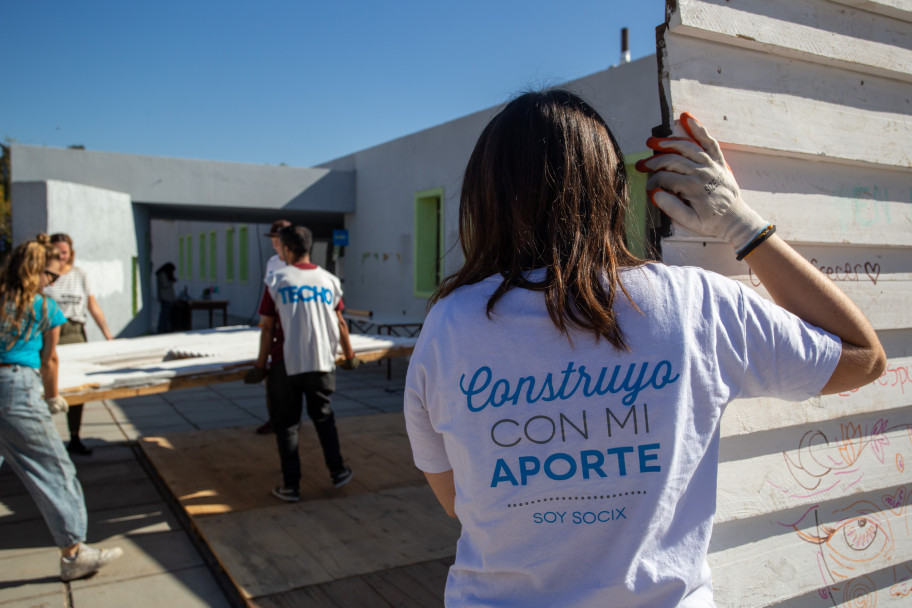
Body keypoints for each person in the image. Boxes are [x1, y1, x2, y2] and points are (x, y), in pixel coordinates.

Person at [403, 90, 885, 608]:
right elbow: (863, 357)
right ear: (614, 191)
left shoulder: (447, 326)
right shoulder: (693, 303)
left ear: (484, 197)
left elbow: (459, 500)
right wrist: (740, 223)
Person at [0, 234, 123, 581]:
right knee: (53, 469)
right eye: (49, 276)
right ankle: (74, 554)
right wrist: (52, 397)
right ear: (33, 271)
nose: (52, 283)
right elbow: (49, 359)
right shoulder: (43, 306)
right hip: (16, 388)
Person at [245, 225, 361, 502]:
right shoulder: (329, 280)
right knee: (323, 417)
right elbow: (341, 322)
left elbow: (267, 328)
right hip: (321, 361)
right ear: (308, 248)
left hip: (287, 363)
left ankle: (291, 485)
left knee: (287, 425)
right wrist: (349, 356)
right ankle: (338, 470)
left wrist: (261, 365)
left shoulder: (277, 280)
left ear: (286, 249)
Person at [43, 233, 113, 456]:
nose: (61, 257)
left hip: (73, 331)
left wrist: (107, 335)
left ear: (70, 253)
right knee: (47, 384)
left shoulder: (79, 274)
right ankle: (44, 441)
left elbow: (92, 305)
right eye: (57, 252)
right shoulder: (43, 276)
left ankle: (74, 437)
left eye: (64, 252)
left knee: (77, 389)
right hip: (49, 332)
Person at [253, 219, 292, 435]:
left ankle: (289, 422)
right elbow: (269, 294)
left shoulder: (295, 265)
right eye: (273, 240)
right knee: (275, 381)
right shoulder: (272, 263)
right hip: (275, 327)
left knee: (290, 382)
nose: (275, 244)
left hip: (292, 329)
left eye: (278, 239)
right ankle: (275, 418)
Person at [155, 262, 177, 333]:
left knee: (166, 315)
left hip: (168, 298)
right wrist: (171, 281)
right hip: (165, 298)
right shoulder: (162, 274)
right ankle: (161, 329)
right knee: (164, 315)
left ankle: (164, 328)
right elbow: (164, 284)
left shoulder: (163, 274)